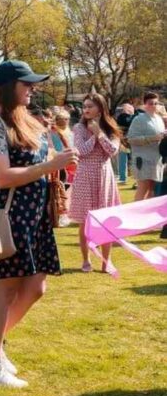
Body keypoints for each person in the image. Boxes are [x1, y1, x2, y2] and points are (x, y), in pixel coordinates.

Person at [0, 60, 77, 389]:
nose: (32, 89)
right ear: (7, 86)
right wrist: (51, 166)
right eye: (26, 84)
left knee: (35, 289)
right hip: (9, 217)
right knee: (5, 292)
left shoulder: (14, 117)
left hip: (31, 217)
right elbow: (1, 176)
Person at [69, 93, 121, 273]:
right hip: (85, 175)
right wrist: (93, 135)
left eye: (90, 106)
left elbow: (112, 150)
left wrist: (100, 133)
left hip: (104, 175)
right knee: (85, 220)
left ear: (100, 107)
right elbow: (82, 151)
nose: (86, 109)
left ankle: (107, 261)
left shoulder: (111, 127)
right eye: (85, 106)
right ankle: (86, 260)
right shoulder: (78, 128)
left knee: (106, 220)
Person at [127, 92, 165, 201]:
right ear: (144, 105)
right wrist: (152, 138)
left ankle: (148, 216)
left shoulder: (159, 119)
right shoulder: (139, 119)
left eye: (156, 103)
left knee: (152, 190)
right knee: (142, 189)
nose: (153, 105)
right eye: (150, 103)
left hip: (156, 159)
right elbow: (131, 139)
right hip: (142, 159)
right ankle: (136, 216)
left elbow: (160, 137)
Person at [115, 104, 135, 184]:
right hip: (130, 140)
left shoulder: (120, 117)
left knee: (123, 159)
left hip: (124, 140)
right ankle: (129, 177)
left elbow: (118, 128)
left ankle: (123, 178)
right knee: (131, 159)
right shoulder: (134, 117)